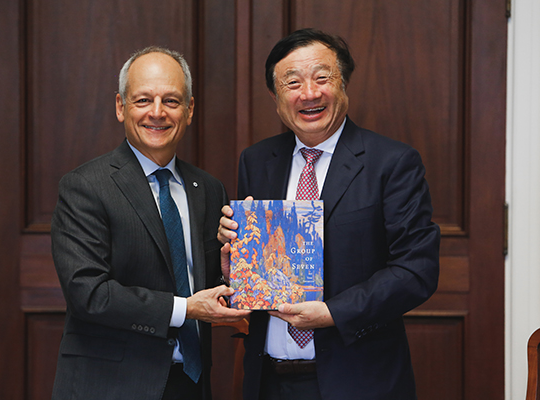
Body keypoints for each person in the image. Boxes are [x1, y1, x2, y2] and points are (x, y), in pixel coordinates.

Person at [218, 29, 441, 399]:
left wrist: (332, 313)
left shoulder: (392, 162)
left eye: (322, 78)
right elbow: (263, 271)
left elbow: (417, 270)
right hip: (269, 380)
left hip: (359, 381)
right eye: (293, 82)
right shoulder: (256, 161)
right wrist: (235, 268)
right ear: (275, 98)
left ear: (343, 85)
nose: (309, 93)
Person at [50, 46, 250, 400]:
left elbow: (204, 288)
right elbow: (88, 294)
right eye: (143, 100)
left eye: (171, 101)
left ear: (189, 110)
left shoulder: (207, 188)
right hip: (111, 384)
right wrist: (185, 308)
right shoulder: (85, 186)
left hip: (190, 383)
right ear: (120, 107)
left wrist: (230, 274)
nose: (157, 113)